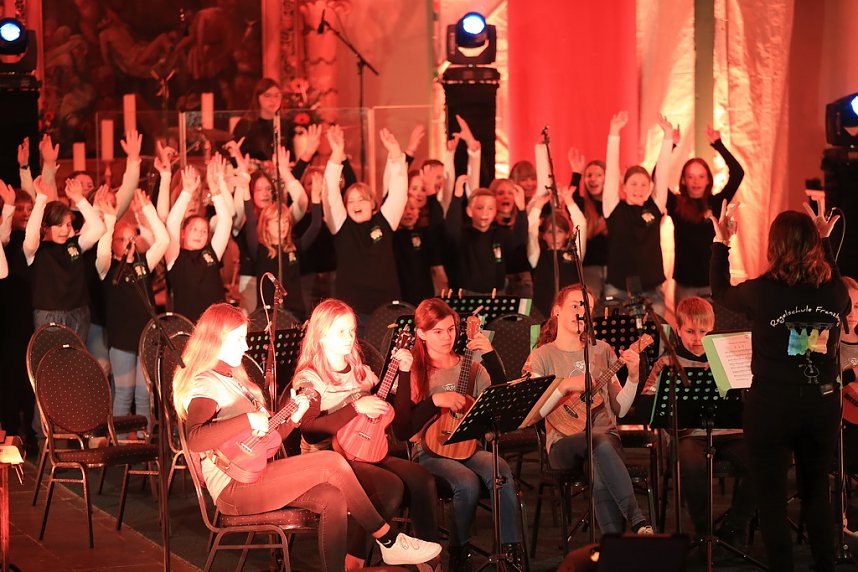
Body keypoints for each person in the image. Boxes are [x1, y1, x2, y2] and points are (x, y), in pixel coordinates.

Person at [172, 303, 441, 572]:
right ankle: (389, 539)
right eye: (239, 339)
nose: (245, 347)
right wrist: (247, 419)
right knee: (329, 462)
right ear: (215, 340)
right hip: (233, 488)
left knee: (332, 496)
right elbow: (195, 438)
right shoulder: (206, 383)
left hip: (255, 473)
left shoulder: (235, 379)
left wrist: (294, 418)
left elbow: (267, 442)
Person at [709, 202, 849, 571]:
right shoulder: (834, 293)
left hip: (771, 406)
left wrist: (721, 242)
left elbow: (720, 291)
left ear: (774, 247)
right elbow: (839, 286)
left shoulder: (761, 292)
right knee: (817, 495)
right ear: (814, 247)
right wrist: (825, 240)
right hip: (821, 405)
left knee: (770, 501)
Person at [294, 298, 442, 569]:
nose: (349, 338)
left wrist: (405, 373)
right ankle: (355, 560)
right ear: (321, 335)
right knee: (389, 486)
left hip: (365, 450)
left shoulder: (362, 372)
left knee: (422, 479)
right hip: (327, 458)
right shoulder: (310, 377)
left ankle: (427, 559)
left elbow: (402, 428)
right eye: (340, 331)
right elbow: (309, 430)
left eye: (351, 330)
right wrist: (355, 407)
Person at [392, 298, 523, 570]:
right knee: (465, 482)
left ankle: (510, 552)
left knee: (499, 469)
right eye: (438, 332)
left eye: (451, 329)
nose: (446, 337)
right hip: (430, 451)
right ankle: (458, 550)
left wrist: (489, 354)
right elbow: (403, 429)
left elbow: (501, 395)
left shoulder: (471, 367)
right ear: (421, 334)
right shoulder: (415, 370)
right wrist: (436, 401)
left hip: (468, 446)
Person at [523, 284, 654, 535]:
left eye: (587, 307)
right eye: (575, 305)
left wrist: (634, 376)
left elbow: (621, 409)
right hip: (563, 443)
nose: (581, 312)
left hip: (605, 440)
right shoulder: (541, 357)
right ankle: (637, 521)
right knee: (597, 442)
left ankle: (612, 551)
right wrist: (563, 388)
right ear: (556, 311)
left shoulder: (601, 350)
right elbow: (532, 414)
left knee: (598, 459)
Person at [642, 296, 754, 545]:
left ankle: (735, 526)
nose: (696, 338)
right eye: (690, 331)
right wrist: (655, 394)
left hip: (730, 432)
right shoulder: (666, 363)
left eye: (703, 332)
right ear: (678, 330)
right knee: (690, 462)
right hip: (689, 435)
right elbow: (647, 400)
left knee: (763, 460)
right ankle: (705, 532)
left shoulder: (728, 358)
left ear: (712, 330)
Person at [96, 189, 169, 434]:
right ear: (114, 243)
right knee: (124, 394)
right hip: (121, 340)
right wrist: (108, 222)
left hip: (144, 337)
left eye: (132, 237)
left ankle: (143, 441)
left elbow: (163, 241)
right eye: (122, 239)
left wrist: (147, 210)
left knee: (143, 394)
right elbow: (103, 250)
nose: (129, 242)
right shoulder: (108, 268)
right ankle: (120, 443)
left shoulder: (143, 264)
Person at [323, 126, 407, 332]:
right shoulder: (340, 225)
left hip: (386, 309)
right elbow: (330, 193)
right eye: (350, 200)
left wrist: (395, 152)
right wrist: (336, 154)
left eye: (362, 198)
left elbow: (398, 191)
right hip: (351, 313)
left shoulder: (385, 221)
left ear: (373, 204)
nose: (356, 203)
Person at [602, 111, 674, 316]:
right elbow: (611, 174)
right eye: (633, 183)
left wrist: (668, 136)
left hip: (652, 290)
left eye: (644, 184)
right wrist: (614, 133)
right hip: (617, 289)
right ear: (623, 186)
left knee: (656, 342)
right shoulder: (614, 208)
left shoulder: (654, 207)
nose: (639, 188)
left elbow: (662, 172)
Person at [668, 125, 744, 305]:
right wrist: (669, 145)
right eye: (691, 176)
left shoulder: (717, 203)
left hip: (714, 283)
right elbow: (658, 178)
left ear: (708, 179)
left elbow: (738, 173)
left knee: (713, 332)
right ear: (684, 180)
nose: (696, 181)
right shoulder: (675, 204)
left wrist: (718, 144)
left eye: (701, 176)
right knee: (684, 332)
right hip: (685, 284)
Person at [23, 176, 106, 340]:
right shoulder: (36, 250)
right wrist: (41, 198)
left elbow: (98, 228)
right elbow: (31, 234)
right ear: (45, 227)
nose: (64, 230)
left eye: (68, 225)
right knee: (51, 361)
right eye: (59, 225)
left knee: (75, 361)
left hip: (79, 312)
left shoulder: (75, 244)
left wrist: (79, 199)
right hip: (49, 314)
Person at [164, 161, 232, 322]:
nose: (199, 234)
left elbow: (226, 221)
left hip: (216, 326)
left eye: (204, 231)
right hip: (188, 329)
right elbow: (172, 223)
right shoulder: (174, 256)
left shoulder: (211, 252)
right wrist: (186, 192)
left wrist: (216, 191)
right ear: (182, 233)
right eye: (194, 229)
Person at [232, 77, 284, 163]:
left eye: (277, 95)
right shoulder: (245, 125)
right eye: (267, 96)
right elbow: (234, 158)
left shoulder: (286, 123)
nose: (273, 100)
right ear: (257, 98)